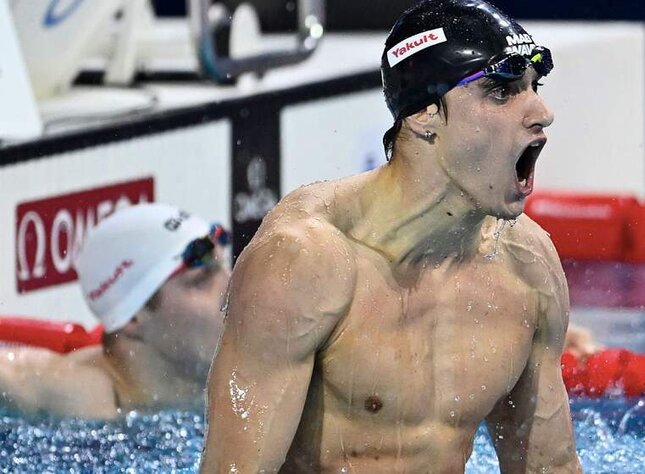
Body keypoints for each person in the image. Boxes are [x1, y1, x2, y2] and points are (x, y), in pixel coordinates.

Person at [200, 0, 583, 472]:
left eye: (534, 87)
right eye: (502, 92)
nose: (541, 112)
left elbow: (551, 467)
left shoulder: (528, 265)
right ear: (424, 115)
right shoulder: (306, 260)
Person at [0, 203, 230, 419]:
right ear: (133, 317)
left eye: (224, 267)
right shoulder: (86, 398)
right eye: (201, 281)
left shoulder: (241, 382)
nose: (232, 287)